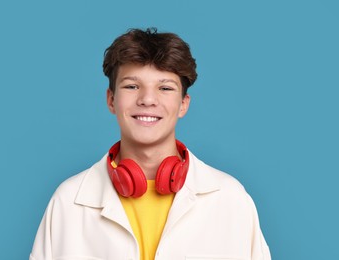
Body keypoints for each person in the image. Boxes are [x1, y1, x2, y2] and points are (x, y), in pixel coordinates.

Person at [30, 28, 271, 260]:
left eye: (165, 88)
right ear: (111, 100)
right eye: (132, 86)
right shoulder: (68, 200)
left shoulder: (230, 198)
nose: (147, 99)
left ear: (183, 104)